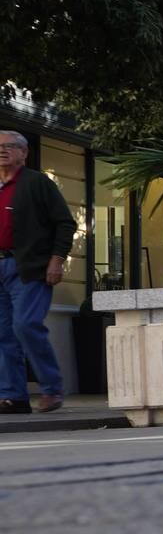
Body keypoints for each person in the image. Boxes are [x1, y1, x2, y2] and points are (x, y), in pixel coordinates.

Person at [0, 131, 74, 415]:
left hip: (29, 268)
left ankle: (52, 389)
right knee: (3, 333)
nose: (3, 151)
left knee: (26, 325)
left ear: (24, 152)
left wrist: (57, 259)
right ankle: (13, 397)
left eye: (10, 147)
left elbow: (65, 223)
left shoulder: (37, 183)